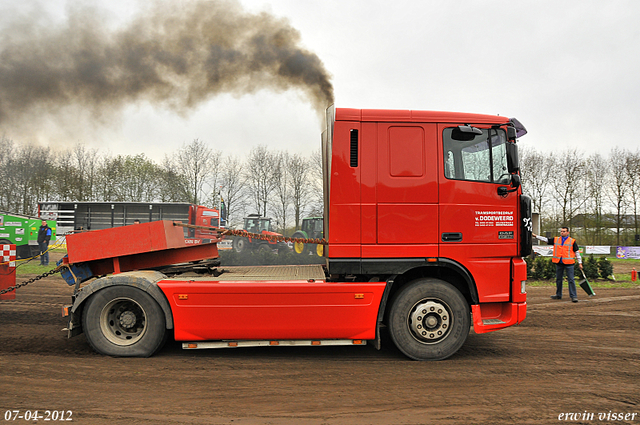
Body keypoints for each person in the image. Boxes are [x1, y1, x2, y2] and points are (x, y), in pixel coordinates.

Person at [533, 227, 583, 303]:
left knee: (571, 280)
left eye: (564, 231)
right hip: (559, 263)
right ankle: (558, 295)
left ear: (568, 232)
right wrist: (536, 236)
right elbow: (546, 239)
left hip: (569, 263)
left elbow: (577, 252)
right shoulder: (556, 239)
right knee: (558, 280)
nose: (562, 232)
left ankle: (574, 296)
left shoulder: (572, 241)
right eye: (561, 231)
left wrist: (580, 263)